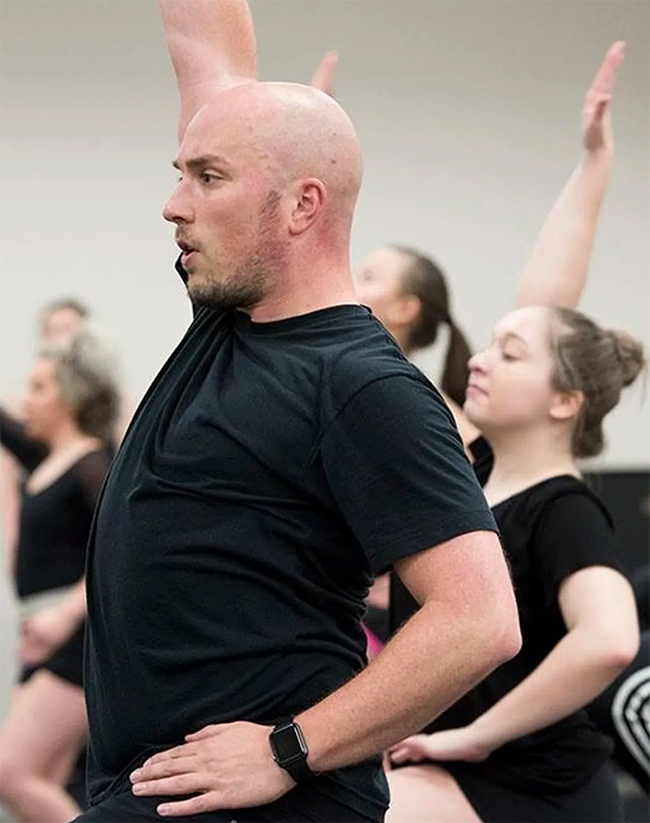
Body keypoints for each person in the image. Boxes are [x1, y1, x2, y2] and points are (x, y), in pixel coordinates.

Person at [72, 2, 521, 821]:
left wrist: (289, 746)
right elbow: (205, 45)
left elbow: (480, 619)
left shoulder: (362, 384)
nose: (174, 203)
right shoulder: (227, 320)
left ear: (301, 206)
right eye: (182, 173)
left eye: (207, 178)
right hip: (153, 786)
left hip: (261, 801)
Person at [385, 41, 644, 823]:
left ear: (565, 400)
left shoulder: (562, 508)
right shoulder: (472, 469)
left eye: (511, 352)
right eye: (490, 343)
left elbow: (608, 639)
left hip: (534, 787)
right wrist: (590, 167)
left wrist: (475, 736)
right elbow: (544, 297)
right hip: (458, 767)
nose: (483, 359)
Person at [0, 331, 120, 823]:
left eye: (39, 388)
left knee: (11, 773)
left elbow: (116, 550)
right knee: (42, 782)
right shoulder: (51, 461)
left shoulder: (91, 463)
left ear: (71, 396)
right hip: (47, 631)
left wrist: (65, 617)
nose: (27, 399)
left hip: (76, 637)